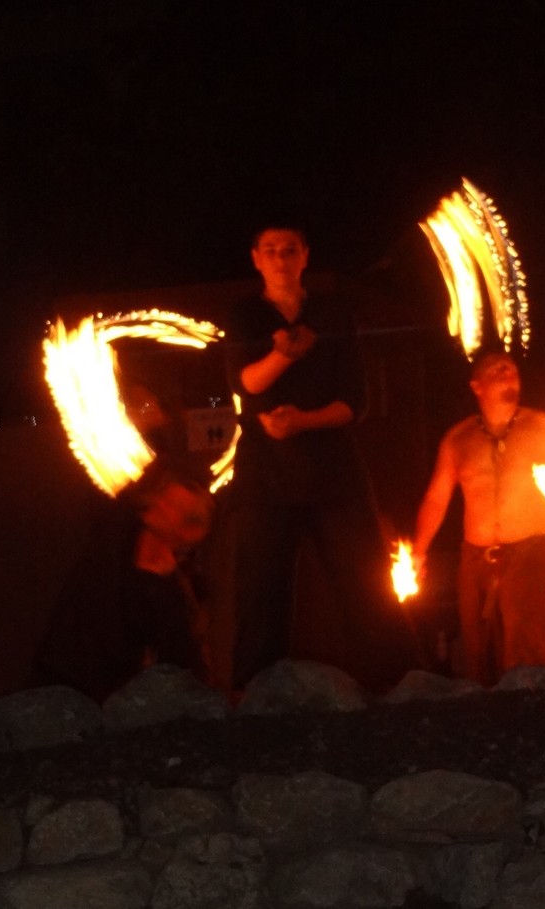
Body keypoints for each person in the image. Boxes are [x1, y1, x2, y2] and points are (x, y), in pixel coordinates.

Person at [222, 223, 415, 692]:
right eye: (270, 250)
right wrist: (284, 356)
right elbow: (244, 382)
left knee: (366, 582)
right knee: (261, 589)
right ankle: (257, 696)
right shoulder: (245, 315)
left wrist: (303, 421)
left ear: (305, 256)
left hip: (333, 470)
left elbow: (354, 401)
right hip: (267, 471)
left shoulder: (331, 312)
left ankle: (399, 688)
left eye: (289, 249)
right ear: (256, 258)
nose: (280, 259)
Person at [411, 350, 545, 686]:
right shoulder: (458, 439)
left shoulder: (544, 427)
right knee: (479, 657)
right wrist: (419, 551)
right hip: (476, 562)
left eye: (512, 370)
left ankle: (535, 712)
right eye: (498, 370)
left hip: (533, 555)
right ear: (477, 386)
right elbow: (436, 498)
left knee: (528, 656)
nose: (509, 374)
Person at [36, 454, 214, 701]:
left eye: (173, 506)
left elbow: (184, 664)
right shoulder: (119, 530)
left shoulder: (169, 594)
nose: (160, 504)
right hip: (53, 668)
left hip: (98, 697)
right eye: (164, 497)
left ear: (186, 530)